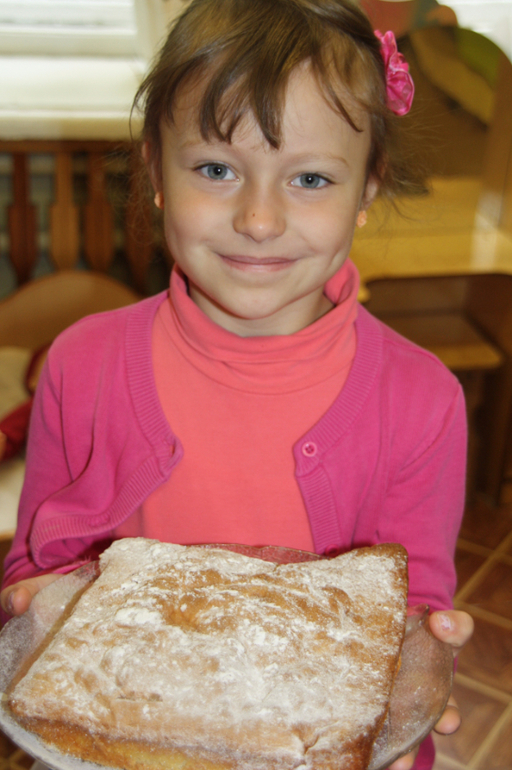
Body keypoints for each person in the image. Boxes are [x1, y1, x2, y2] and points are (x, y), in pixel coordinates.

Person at [1, 1, 473, 768]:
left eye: (310, 178)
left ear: (367, 189)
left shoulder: (422, 401)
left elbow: (408, 614)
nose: (258, 219)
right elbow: (36, 570)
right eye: (216, 170)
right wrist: (32, 604)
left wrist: (424, 657)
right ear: (157, 170)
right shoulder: (82, 365)